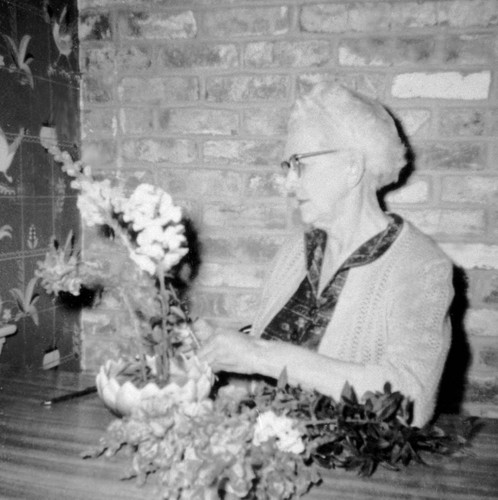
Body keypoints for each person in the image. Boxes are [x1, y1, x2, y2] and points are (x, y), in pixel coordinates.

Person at [197, 82, 453, 427]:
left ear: (352, 167)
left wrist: (261, 355)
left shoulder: (419, 266)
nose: (287, 183)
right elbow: (267, 375)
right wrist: (226, 360)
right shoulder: (295, 252)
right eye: (287, 165)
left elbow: (410, 403)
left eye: (299, 163)